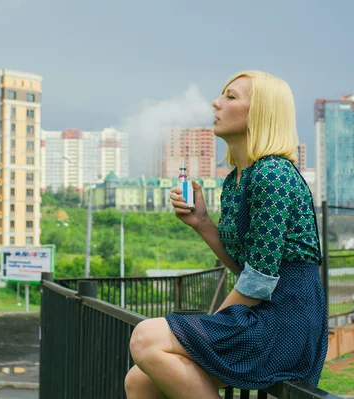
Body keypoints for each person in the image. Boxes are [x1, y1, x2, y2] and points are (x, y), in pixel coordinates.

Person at [125, 71, 327, 399]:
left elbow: (260, 278)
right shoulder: (236, 180)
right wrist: (203, 223)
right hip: (262, 315)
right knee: (139, 380)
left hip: (286, 325)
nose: (216, 102)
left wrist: (208, 329)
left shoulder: (271, 174)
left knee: (146, 338)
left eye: (231, 97)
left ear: (261, 112)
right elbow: (247, 267)